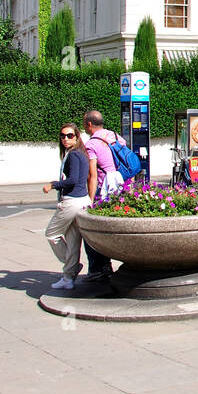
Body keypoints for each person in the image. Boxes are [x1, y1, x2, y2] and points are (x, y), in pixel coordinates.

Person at [79, 109, 127, 283]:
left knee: (92, 230)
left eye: (85, 123)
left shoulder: (91, 144)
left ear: (89, 124)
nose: (84, 126)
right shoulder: (115, 136)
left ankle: (99, 268)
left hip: (104, 189)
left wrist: (90, 201)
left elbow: (92, 176)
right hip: (120, 187)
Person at [43, 121, 90, 291]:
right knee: (72, 240)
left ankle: (71, 267)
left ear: (77, 136)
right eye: (62, 136)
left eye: (70, 135)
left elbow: (73, 180)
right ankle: (68, 278)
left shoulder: (75, 155)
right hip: (82, 200)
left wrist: (53, 185)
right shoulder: (79, 153)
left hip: (72, 201)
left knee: (51, 234)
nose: (65, 139)